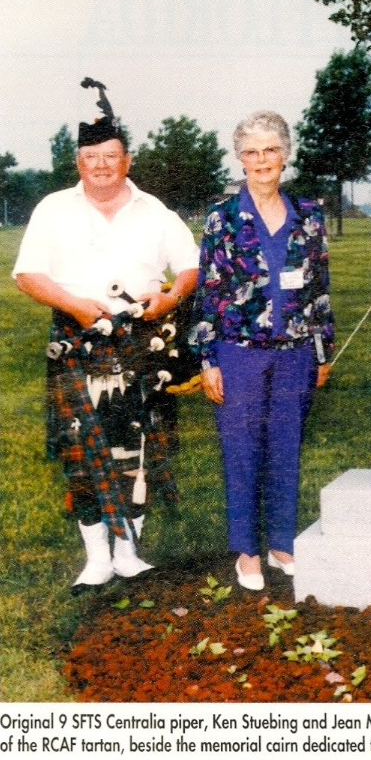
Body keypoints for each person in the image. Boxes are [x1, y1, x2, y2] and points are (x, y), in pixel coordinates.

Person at [13, 78, 200, 592]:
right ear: (79, 162)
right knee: (81, 452)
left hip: (141, 341)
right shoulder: (53, 209)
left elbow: (189, 268)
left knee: (138, 448)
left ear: (127, 160)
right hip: (77, 342)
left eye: (110, 155)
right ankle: (96, 557)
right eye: (91, 156)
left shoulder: (156, 211)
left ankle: (129, 553)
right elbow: (28, 275)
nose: (100, 164)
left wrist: (168, 298)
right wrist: (75, 304)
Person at [189, 111, 333, 591]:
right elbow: (209, 291)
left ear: (285, 154)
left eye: (270, 150)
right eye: (251, 152)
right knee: (243, 451)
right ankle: (247, 553)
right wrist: (208, 358)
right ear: (240, 159)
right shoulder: (222, 217)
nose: (261, 160)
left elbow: (319, 288)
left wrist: (323, 350)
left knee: (285, 448)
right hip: (240, 352)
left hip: (295, 352)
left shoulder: (310, 214)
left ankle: (281, 543)